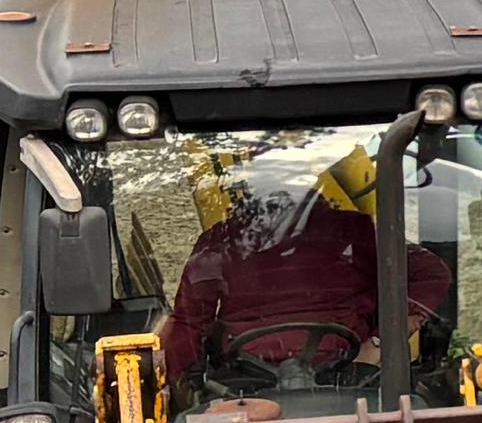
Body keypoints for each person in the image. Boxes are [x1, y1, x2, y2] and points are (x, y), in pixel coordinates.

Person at [158, 145, 457, 407]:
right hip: (251, 382)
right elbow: (188, 324)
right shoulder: (222, 244)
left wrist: (379, 343)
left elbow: (189, 325)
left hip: (343, 374)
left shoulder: (354, 234)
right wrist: (180, 387)